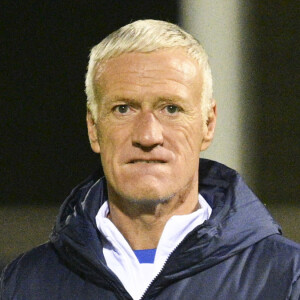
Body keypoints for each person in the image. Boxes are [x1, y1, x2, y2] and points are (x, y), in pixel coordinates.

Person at [1, 19, 300, 300]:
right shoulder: (25, 283)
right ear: (94, 128)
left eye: (171, 109)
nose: (147, 136)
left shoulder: (286, 278)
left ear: (208, 125)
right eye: (123, 109)